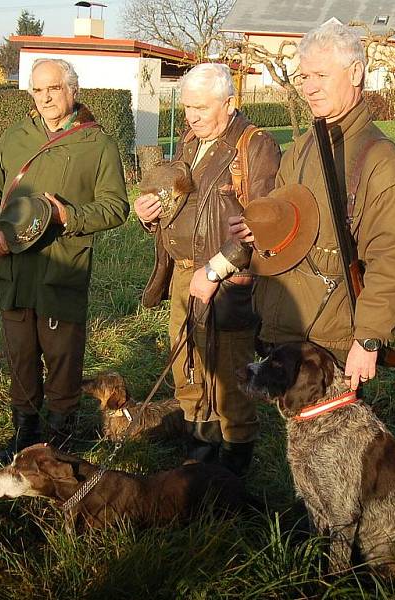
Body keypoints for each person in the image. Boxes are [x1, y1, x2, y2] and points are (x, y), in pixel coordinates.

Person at [228, 21, 395, 391]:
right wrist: (260, 229)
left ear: (357, 72)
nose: (309, 87)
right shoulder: (302, 148)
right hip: (288, 328)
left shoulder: (378, 160)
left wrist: (368, 338)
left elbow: (393, 259)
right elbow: (286, 223)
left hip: (333, 343)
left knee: (338, 442)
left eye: (320, 75)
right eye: (303, 76)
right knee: (300, 443)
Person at [0, 58, 129, 463]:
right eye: (37, 90)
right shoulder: (15, 137)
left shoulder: (97, 143)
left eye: (53, 89)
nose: (45, 98)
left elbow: (115, 207)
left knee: (62, 358)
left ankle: (60, 443)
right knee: (21, 353)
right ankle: (24, 435)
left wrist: (68, 217)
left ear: (72, 90)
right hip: (15, 268)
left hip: (63, 266)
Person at [133, 63, 281, 475]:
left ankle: (233, 473)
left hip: (229, 280)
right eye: (186, 109)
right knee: (187, 364)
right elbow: (180, 204)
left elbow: (266, 225)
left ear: (230, 103)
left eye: (201, 108)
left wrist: (215, 269)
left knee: (229, 375)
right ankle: (201, 451)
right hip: (182, 273)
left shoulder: (255, 146)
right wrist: (150, 214)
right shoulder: (189, 143)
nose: (192, 117)